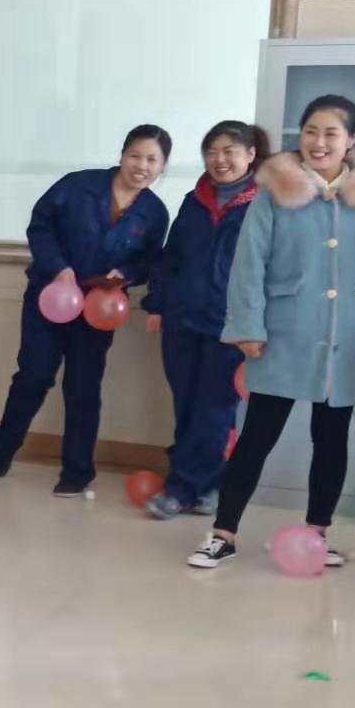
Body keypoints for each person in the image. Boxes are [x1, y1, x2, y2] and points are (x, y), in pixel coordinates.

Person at [188, 96, 355, 570]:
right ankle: (223, 533)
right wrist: (247, 325)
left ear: (351, 140)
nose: (318, 142)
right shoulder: (274, 192)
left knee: (331, 438)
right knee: (257, 436)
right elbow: (248, 264)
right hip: (283, 332)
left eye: (331, 133)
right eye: (310, 132)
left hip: (347, 335)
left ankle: (317, 533)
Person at [0, 126, 170, 497]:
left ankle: (77, 472)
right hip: (51, 297)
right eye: (135, 156)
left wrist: (127, 274)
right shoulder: (78, 185)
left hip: (100, 307)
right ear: (122, 155)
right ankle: (5, 444)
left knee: (84, 386)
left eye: (152, 160)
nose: (142, 166)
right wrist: (59, 268)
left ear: (162, 166)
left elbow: (151, 260)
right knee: (35, 375)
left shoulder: (154, 212)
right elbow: (40, 226)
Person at [140, 120, 269, 520]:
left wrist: (259, 322)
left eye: (229, 151)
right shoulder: (194, 201)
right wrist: (157, 304)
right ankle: (208, 484)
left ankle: (180, 489)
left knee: (215, 409)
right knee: (187, 406)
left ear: (251, 155)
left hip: (231, 326)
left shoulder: (265, 204)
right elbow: (170, 258)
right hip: (182, 321)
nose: (219, 160)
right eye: (211, 152)